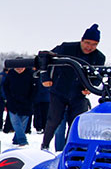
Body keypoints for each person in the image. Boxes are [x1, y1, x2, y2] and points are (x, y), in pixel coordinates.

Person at [41, 24, 106, 152]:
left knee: (76, 123)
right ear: (81, 40)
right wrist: (45, 77)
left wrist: (91, 87)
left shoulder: (99, 57)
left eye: (94, 44)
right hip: (59, 90)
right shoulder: (66, 48)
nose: (89, 47)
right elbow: (44, 58)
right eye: (87, 43)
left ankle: (71, 150)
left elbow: (98, 76)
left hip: (79, 94)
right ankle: (45, 145)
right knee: (54, 120)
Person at [1, 63, 36, 146]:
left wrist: (31, 99)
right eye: (17, 67)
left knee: (23, 123)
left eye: (21, 67)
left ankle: (17, 139)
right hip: (13, 102)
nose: (19, 69)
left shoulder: (30, 74)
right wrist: (8, 98)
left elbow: (35, 88)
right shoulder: (10, 75)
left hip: (26, 103)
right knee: (16, 122)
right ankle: (22, 140)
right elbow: (5, 87)